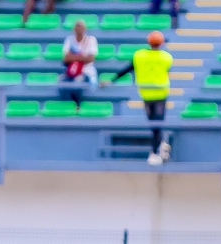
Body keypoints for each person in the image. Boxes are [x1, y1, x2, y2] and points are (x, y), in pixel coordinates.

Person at [104, 31, 171, 166]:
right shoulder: (167, 57)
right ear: (162, 43)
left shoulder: (139, 56)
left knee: (153, 124)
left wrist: (111, 80)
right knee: (157, 123)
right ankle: (159, 148)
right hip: (161, 94)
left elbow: (127, 69)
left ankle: (155, 151)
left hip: (146, 94)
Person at [59, 20, 98, 109]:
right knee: (61, 83)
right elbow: (66, 58)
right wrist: (83, 57)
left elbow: (91, 58)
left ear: (85, 29)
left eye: (81, 27)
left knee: (78, 82)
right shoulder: (69, 40)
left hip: (86, 71)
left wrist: (73, 56)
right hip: (71, 71)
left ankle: (77, 105)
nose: (79, 29)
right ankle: (68, 107)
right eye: (77, 26)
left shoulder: (91, 40)